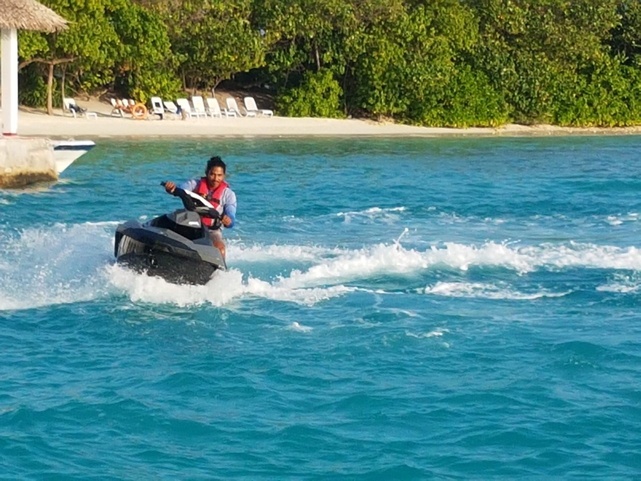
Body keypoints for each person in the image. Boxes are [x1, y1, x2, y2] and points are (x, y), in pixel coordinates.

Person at [164, 156, 237, 259]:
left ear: (224, 176)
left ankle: (219, 273)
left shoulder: (229, 195)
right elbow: (180, 189)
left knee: (220, 249)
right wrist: (171, 189)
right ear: (207, 172)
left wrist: (228, 220)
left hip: (212, 231)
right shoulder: (194, 184)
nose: (216, 179)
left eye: (219, 175)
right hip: (189, 224)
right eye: (212, 174)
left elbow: (231, 216)